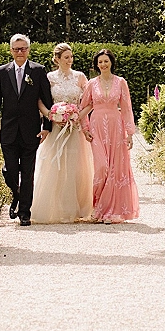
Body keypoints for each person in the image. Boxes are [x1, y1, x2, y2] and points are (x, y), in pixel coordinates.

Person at [0, 34, 53, 226]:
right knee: (9, 170)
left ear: (28, 50)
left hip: (30, 131)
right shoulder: (2, 72)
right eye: (16, 49)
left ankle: (25, 213)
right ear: (11, 50)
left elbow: (46, 100)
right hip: (8, 131)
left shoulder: (38, 71)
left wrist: (47, 127)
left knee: (27, 173)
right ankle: (16, 195)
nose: (20, 52)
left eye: (23, 48)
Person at [32, 43, 94, 224]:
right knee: (54, 165)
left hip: (74, 128)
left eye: (71, 57)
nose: (70, 60)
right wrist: (51, 115)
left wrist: (77, 116)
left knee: (75, 166)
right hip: (56, 128)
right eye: (66, 57)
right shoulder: (49, 78)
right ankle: (55, 207)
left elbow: (90, 101)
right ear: (57, 59)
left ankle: (76, 208)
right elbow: (39, 101)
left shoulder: (80, 77)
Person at [80, 48, 139, 224]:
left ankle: (109, 212)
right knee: (101, 167)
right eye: (100, 62)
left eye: (106, 61)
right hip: (97, 127)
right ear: (96, 65)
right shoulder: (91, 83)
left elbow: (126, 107)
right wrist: (85, 128)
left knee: (115, 169)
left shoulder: (121, 82)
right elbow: (83, 106)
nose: (103, 64)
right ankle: (98, 205)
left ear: (111, 62)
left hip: (116, 128)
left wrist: (130, 133)